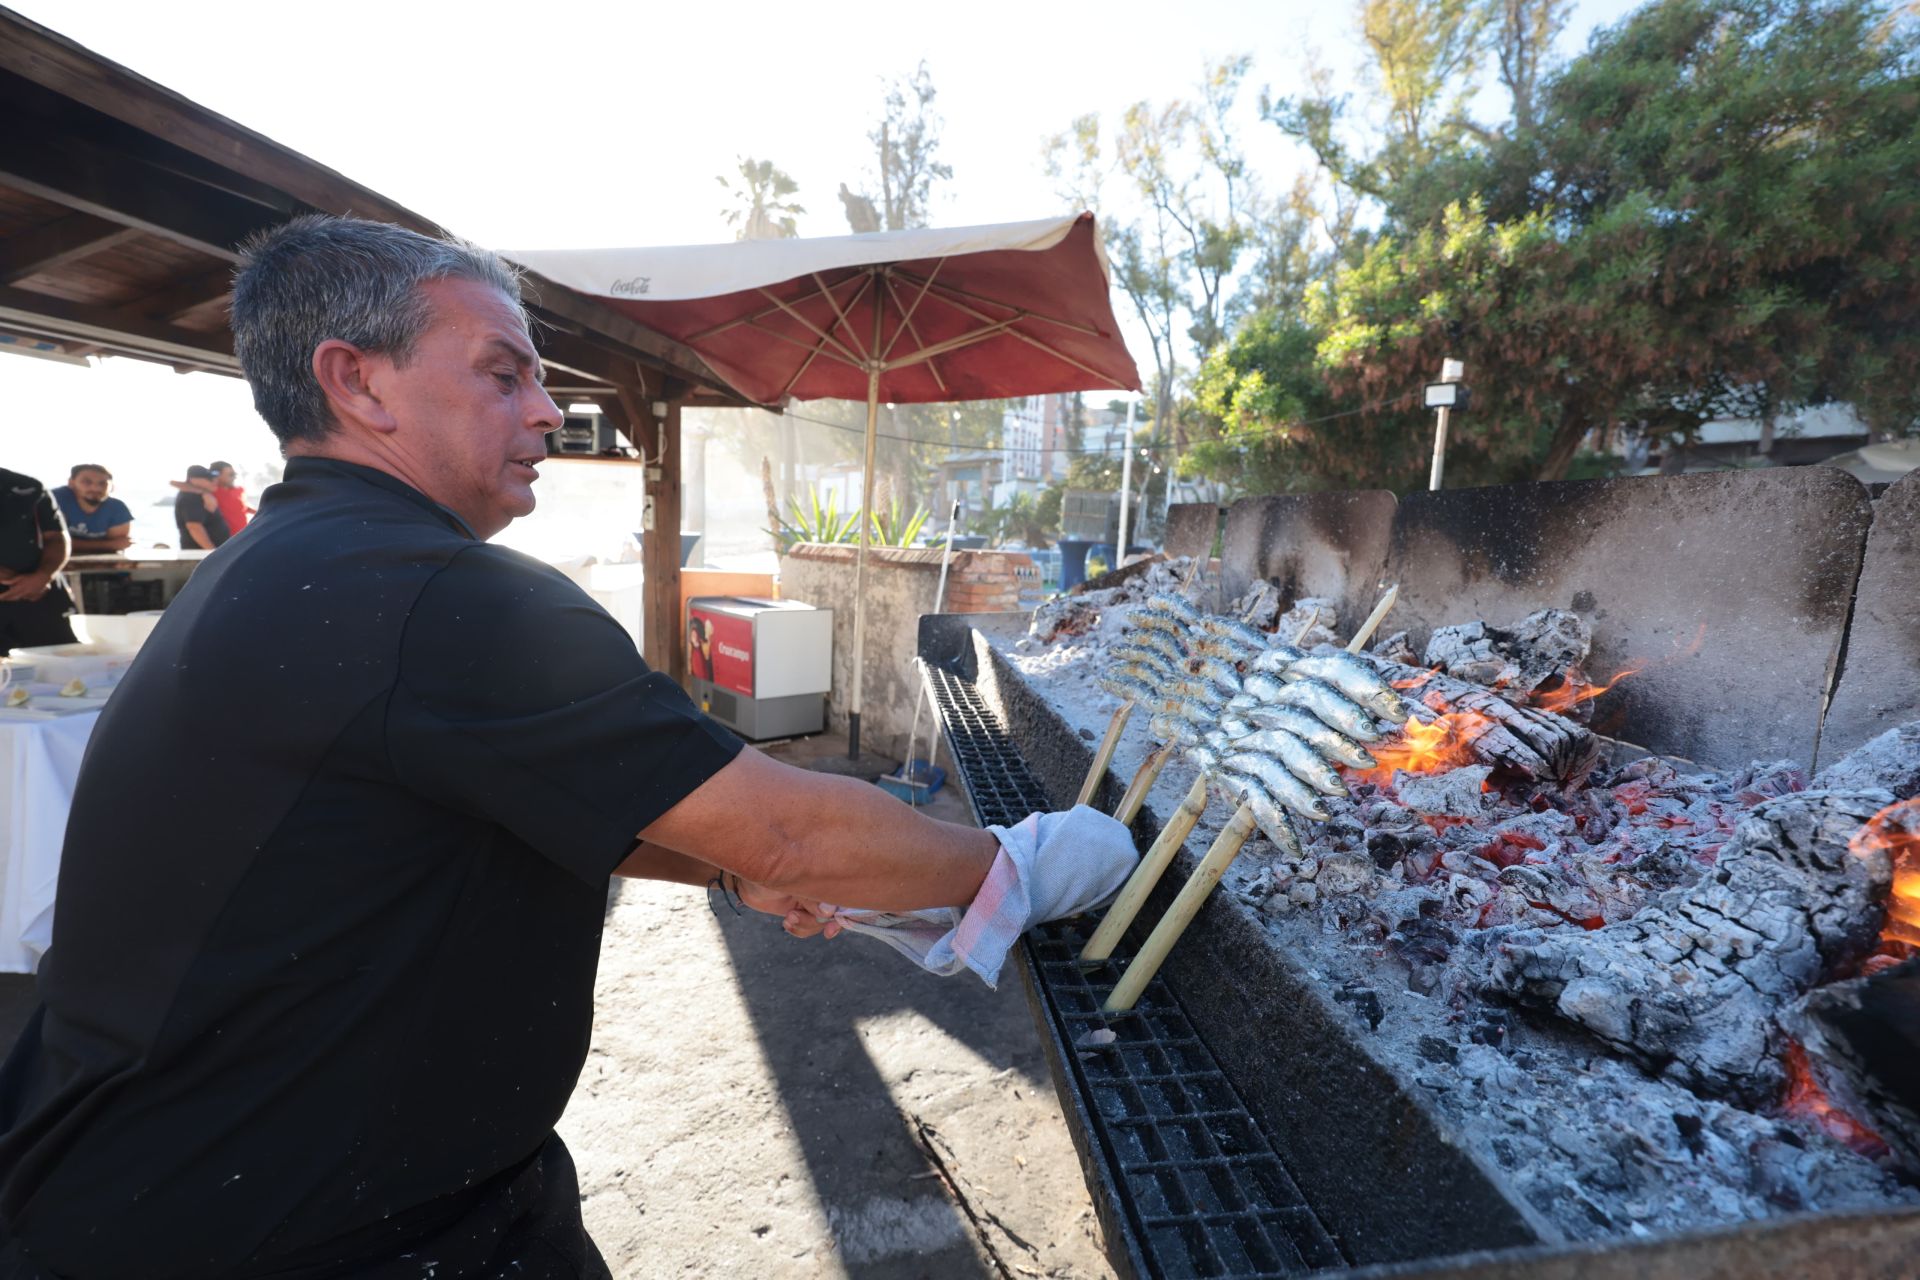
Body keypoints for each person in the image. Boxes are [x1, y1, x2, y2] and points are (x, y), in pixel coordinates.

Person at [0, 216, 1135, 1279]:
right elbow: (793, 824)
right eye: (505, 372)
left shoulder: (286, 562)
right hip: (292, 1224)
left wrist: (728, 862)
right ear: (357, 379)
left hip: (155, 1175)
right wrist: (1023, 863)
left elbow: (516, 800)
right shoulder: (432, 593)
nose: (548, 411)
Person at [0, 468, 76, 656]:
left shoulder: (29, 487)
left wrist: (43, 576)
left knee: (61, 667)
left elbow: (56, 538)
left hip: (40, 595)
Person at [49, 465, 133, 554]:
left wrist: (70, 543)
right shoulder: (54, 499)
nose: (96, 488)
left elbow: (120, 545)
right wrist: (107, 545)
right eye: (87, 482)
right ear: (71, 483)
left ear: (112, 487)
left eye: (102, 483)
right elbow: (52, 543)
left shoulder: (117, 508)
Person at [172, 464, 230, 549]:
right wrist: (212, 552)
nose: (214, 481)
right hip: (200, 554)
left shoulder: (200, 494)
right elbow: (194, 527)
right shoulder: (190, 498)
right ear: (194, 480)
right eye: (209, 479)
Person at [208, 459, 253, 533]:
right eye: (231, 474)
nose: (234, 477)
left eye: (234, 474)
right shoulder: (210, 493)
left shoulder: (240, 490)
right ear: (217, 475)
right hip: (225, 541)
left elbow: (242, 508)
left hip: (246, 536)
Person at [688, 615, 713, 681]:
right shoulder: (690, 647)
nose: (694, 636)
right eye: (692, 634)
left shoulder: (703, 645)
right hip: (695, 673)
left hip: (703, 673)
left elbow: (707, 659)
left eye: (695, 634)